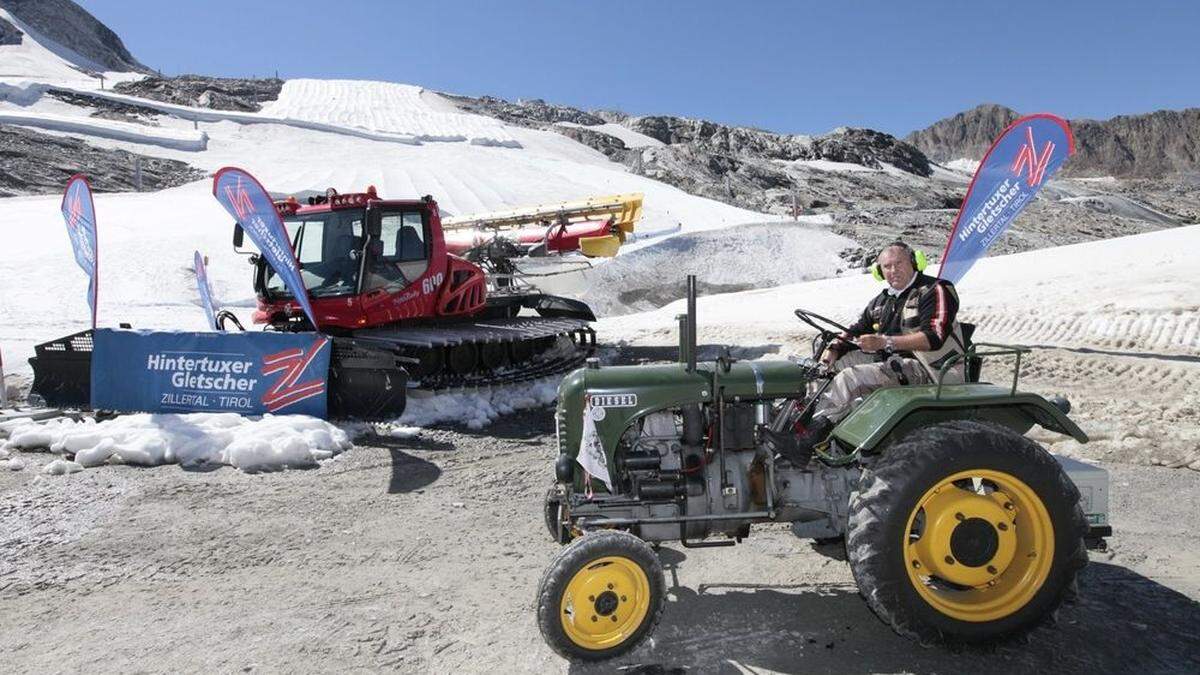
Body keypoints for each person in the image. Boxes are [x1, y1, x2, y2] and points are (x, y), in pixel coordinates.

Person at [774, 241, 966, 462]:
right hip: (893, 364)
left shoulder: (936, 289)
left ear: (914, 262)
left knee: (849, 378)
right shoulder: (881, 301)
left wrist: (885, 342)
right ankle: (796, 426)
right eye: (887, 266)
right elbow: (855, 330)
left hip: (930, 369)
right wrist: (834, 349)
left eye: (899, 263)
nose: (893, 270)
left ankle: (808, 443)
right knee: (824, 371)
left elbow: (934, 337)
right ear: (879, 272)